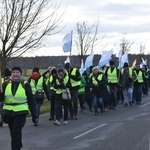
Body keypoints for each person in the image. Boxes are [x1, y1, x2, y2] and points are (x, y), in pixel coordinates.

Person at [0, 66, 36, 150]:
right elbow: (1, 99)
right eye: (14, 72)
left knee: (16, 131)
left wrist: (34, 113)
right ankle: (18, 146)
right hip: (8, 112)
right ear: (11, 73)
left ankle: (15, 148)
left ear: (21, 74)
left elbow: (31, 99)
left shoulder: (25, 84)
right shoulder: (5, 84)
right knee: (13, 133)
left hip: (21, 112)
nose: (15, 74)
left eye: (17, 72)